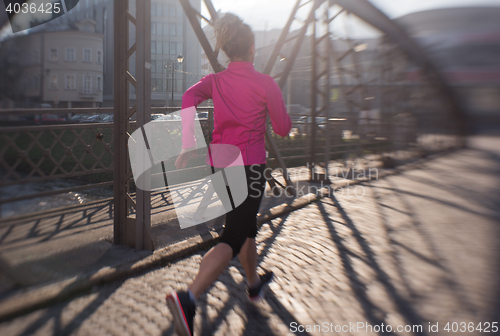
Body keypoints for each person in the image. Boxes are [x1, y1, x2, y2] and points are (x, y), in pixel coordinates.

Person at [166, 13, 292, 336]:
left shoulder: (215, 81)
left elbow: (187, 97)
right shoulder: (265, 84)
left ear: (227, 49)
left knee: (243, 226)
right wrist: (280, 117)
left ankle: (252, 284)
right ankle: (189, 297)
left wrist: (188, 142)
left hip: (219, 165)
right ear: (251, 48)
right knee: (234, 237)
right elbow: (281, 128)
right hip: (249, 168)